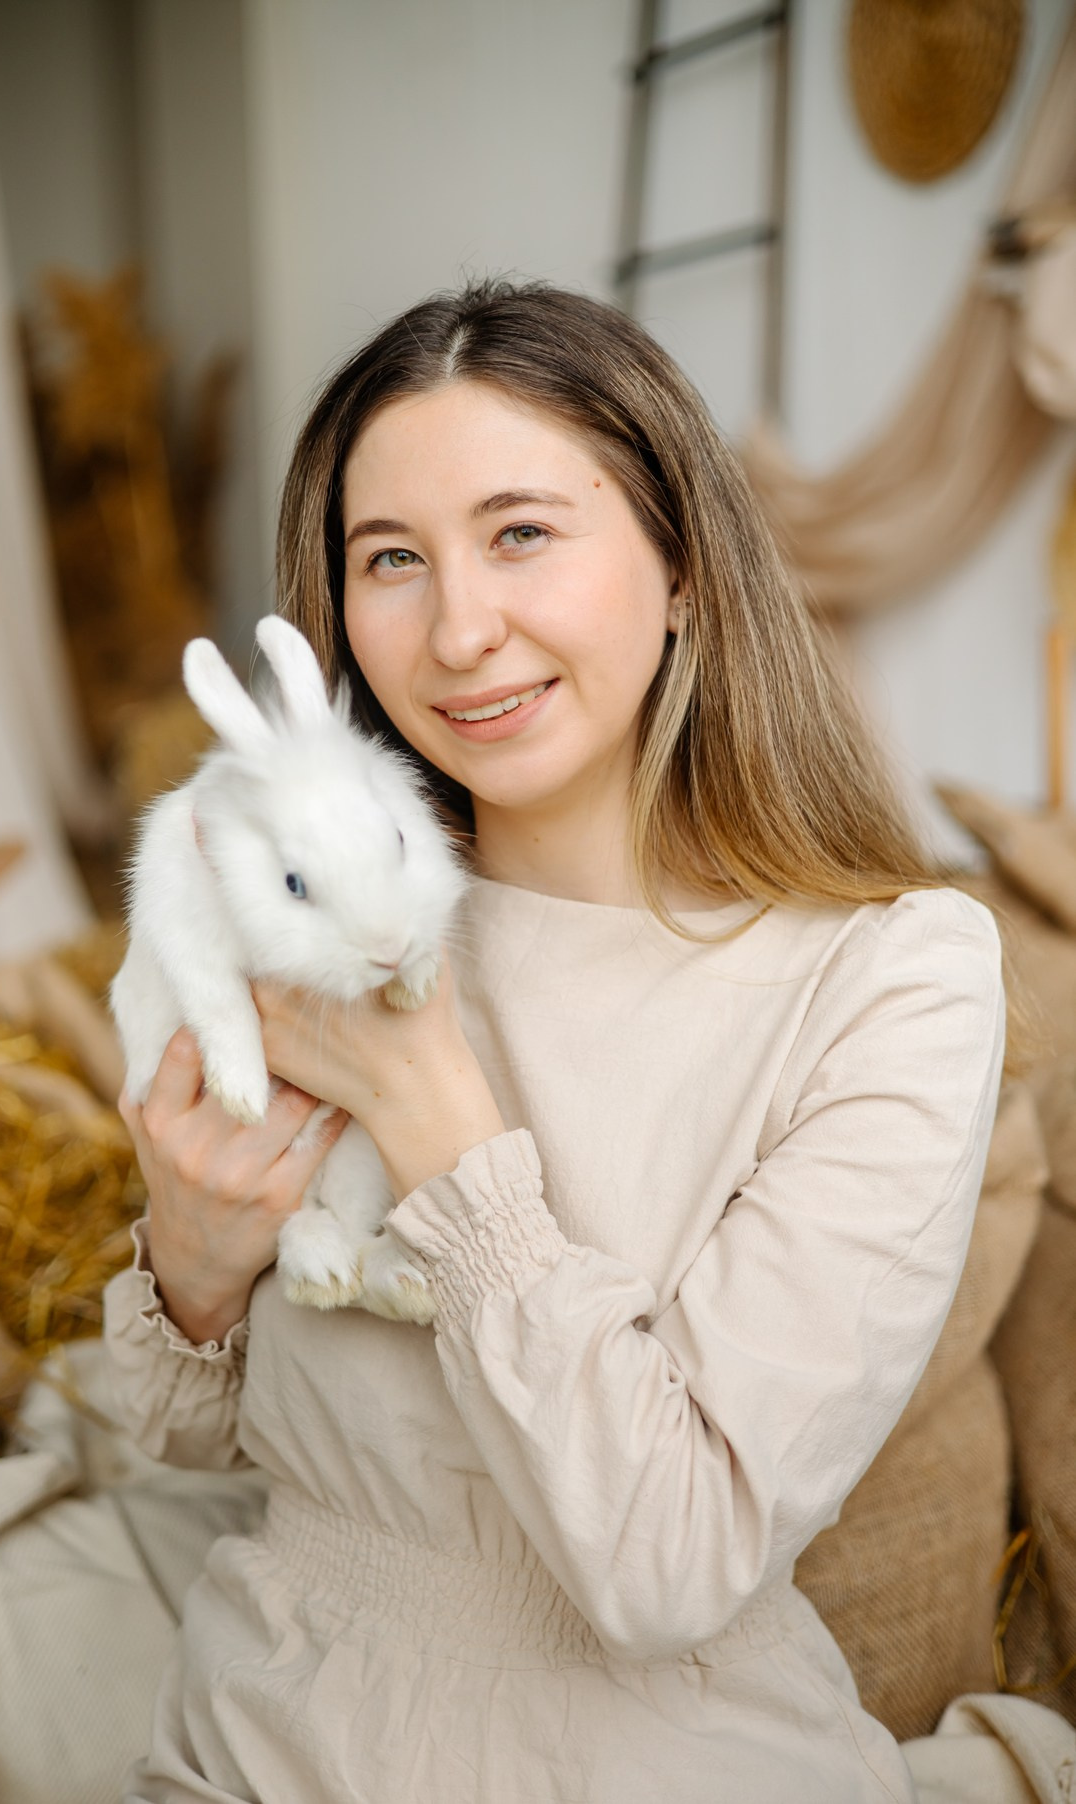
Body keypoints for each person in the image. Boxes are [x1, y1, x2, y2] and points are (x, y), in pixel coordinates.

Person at [103, 277, 1012, 1803]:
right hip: (253, 1740)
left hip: (654, 1760)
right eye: (392, 559)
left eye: (522, 532)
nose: (460, 629)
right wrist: (191, 1263)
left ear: (679, 571)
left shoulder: (893, 979)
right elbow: (189, 1455)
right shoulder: (300, 920)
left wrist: (437, 1118)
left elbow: (666, 1565)